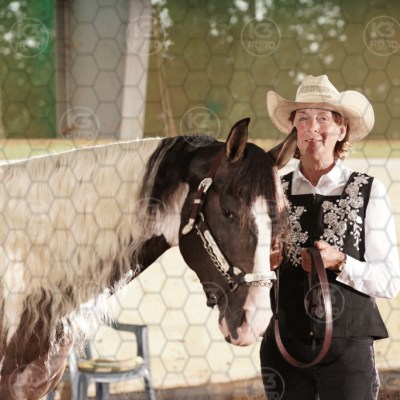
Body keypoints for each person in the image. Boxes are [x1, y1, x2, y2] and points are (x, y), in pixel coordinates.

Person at [261, 75, 400, 400]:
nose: (312, 127)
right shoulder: (272, 190)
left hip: (348, 352)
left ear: (342, 129)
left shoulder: (369, 190)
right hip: (284, 348)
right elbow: (251, 271)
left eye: (323, 118)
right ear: (293, 129)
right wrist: (265, 262)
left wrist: (341, 261)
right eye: (303, 118)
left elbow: (391, 281)